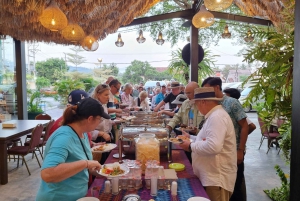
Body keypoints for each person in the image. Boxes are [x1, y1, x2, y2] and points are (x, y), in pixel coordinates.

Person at [36, 98, 110, 201]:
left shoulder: (82, 132)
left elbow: (75, 163)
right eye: (99, 120)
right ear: (90, 119)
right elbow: (48, 174)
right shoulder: (64, 137)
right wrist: (86, 164)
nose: (99, 123)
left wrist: (102, 172)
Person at [180, 87, 237, 201]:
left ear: (203, 102)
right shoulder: (214, 115)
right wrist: (190, 138)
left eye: (196, 104)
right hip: (211, 177)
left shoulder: (217, 117)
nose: (196, 107)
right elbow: (207, 139)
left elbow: (213, 146)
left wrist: (190, 146)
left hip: (216, 179)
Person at [202, 77, 249, 201]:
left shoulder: (232, 102)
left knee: (235, 187)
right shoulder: (213, 104)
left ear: (217, 87)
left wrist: (240, 149)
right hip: (218, 154)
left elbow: (245, 126)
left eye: (208, 89)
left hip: (232, 151)